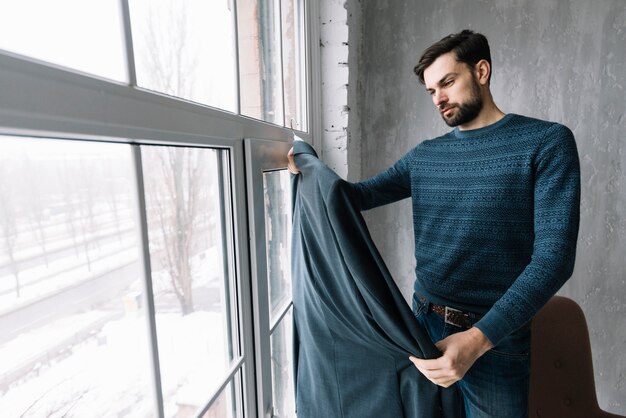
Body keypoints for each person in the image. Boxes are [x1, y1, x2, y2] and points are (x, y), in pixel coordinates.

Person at [288, 29, 580, 418]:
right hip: (420, 326)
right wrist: (306, 165)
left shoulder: (546, 143)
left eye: (447, 82)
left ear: (481, 70)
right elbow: (353, 197)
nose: (439, 98)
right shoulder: (426, 155)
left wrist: (477, 340)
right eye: (431, 91)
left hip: (495, 339)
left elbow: (553, 260)